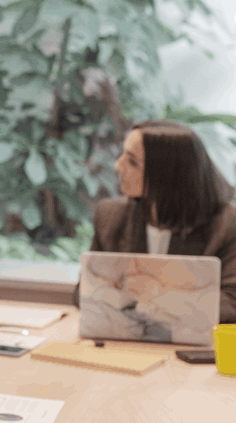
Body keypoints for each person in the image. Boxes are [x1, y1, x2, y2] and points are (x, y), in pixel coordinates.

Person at [78, 119, 236, 322]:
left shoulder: (227, 225)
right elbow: (82, 291)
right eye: (123, 155)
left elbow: (231, 305)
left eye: (132, 161)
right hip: (123, 340)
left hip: (193, 346)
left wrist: (147, 298)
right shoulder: (110, 215)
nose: (118, 166)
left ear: (168, 175)